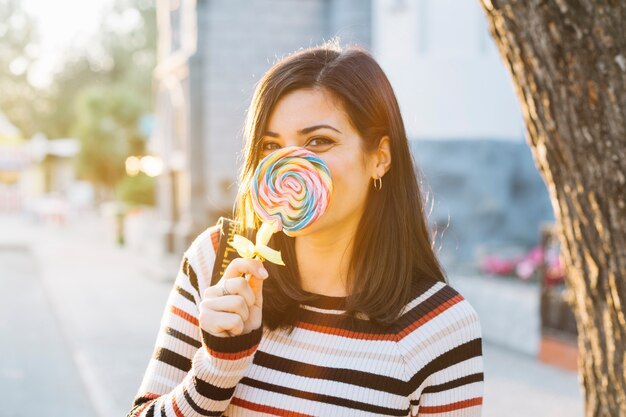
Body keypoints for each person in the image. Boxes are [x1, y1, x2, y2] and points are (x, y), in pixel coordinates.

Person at [127, 40, 484, 417]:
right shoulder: (216, 261)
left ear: (380, 157)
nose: (290, 162)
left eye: (319, 141)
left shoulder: (443, 328)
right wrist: (217, 368)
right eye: (270, 145)